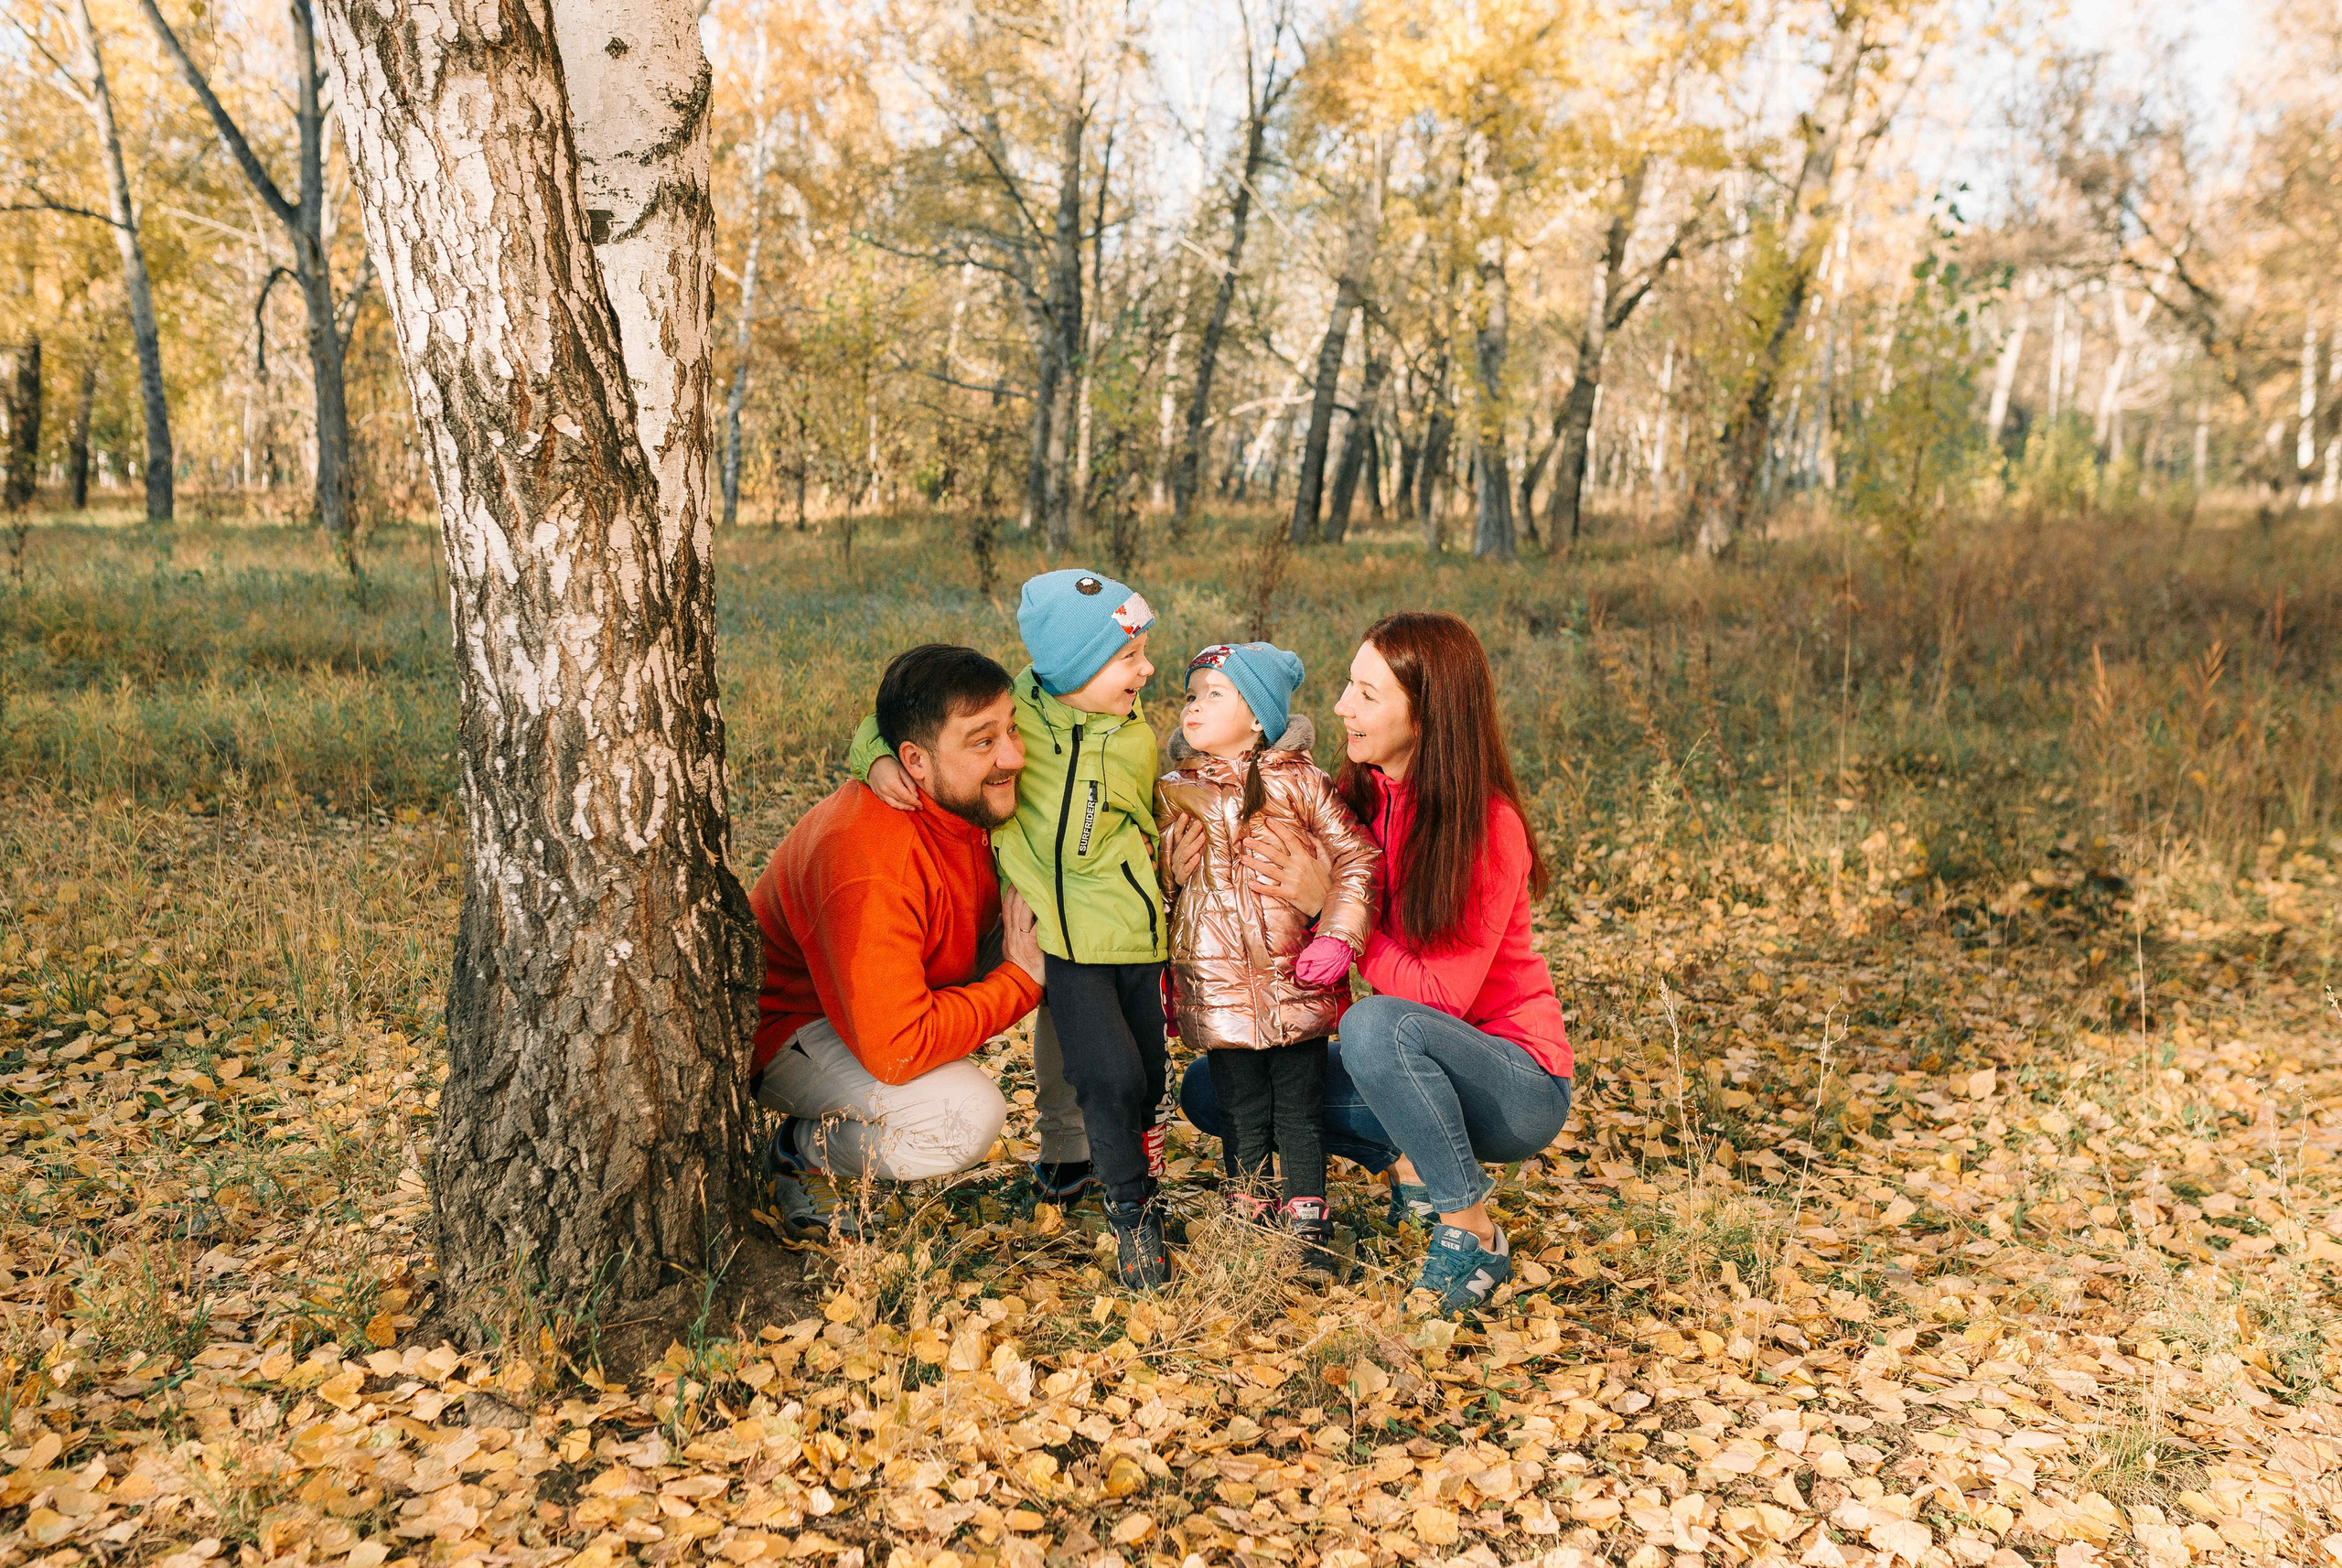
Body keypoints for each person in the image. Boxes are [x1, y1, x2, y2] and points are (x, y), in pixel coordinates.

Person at [1170, 611, 1574, 1315]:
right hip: (1408, 1071)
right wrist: (1184, 870)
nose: (1340, 707)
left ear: (1426, 714)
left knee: (1377, 1027)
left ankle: (1471, 1231)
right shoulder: (1355, 796)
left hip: (1511, 1085)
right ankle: (1410, 1161)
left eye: (1366, 694)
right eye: (1347, 687)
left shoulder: (1487, 824)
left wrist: (1331, 907)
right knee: (1213, 1089)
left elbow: (1439, 998)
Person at [854, 569, 1176, 1289]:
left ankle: (1120, 1167)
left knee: (1149, 1077)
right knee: (1106, 1073)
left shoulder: (1134, 739)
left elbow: (1158, 815)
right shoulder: (1013, 713)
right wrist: (873, 758)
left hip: (1128, 930)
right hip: (1054, 933)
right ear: (1074, 665)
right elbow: (895, 722)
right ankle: (1130, 1211)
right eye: (1128, 657)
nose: (1147, 669)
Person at [748, 644, 1047, 1240]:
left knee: (1069, 926)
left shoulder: (955, 794)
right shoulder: (870, 858)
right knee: (965, 1116)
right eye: (983, 742)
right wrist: (1021, 980)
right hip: (795, 1029)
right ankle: (807, 1151)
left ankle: (1085, 1161)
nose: (1013, 755)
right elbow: (898, 1048)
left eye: (1010, 729)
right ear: (913, 760)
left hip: (882, 994)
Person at [1158, 642, 1380, 1273]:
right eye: (1191, 695)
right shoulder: (1177, 790)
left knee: (1298, 1108)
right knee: (1241, 1108)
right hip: (1219, 983)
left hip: (1293, 976)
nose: (1194, 707)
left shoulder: (1301, 784)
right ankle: (1248, 1211)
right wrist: (1169, 890)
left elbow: (1356, 859)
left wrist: (1337, 935)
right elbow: (1165, 885)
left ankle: (1306, 1225)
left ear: (1256, 716)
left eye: (1213, 695)